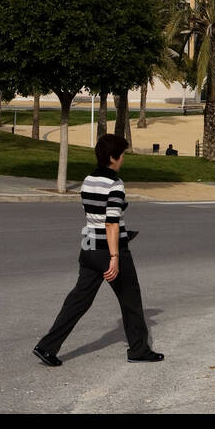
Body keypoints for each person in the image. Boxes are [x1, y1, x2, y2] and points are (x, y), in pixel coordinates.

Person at [33, 134, 163, 366]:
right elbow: (111, 221)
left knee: (78, 300)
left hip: (88, 246)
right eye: (122, 155)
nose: (123, 159)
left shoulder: (88, 180)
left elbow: (94, 215)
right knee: (131, 300)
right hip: (109, 250)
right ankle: (139, 350)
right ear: (112, 158)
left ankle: (46, 346)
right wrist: (114, 257)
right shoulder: (115, 183)